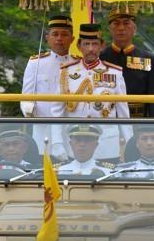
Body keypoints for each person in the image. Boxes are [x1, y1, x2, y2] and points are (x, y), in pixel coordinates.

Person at [51, 23, 131, 160]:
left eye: (94, 44)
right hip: (75, 143)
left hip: (106, 144)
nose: (90, 49)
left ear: (101, 46)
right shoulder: (66, 71)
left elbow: (123, 111)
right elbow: (57, 110)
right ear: (78, 46)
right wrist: (57, 142)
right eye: (86, 44)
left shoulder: (114, 72)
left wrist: (130, 143)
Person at [21, 15, 77, 151]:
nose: (59, 38)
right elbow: (26, 96)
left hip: (73, 130)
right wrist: (28, 111)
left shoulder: (79, 64)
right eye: (55, 34)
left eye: (64, 34)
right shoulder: (36, 63)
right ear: (47, 38)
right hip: (43, 128)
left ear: (72, 39)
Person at [100, 4, 154, 117]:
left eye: (126, 23)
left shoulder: (149, 60)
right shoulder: (101, 58)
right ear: (110, 29)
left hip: (137, 120)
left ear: (134, 28)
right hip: (107, 118)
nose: (121, 28)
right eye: (116, 23)